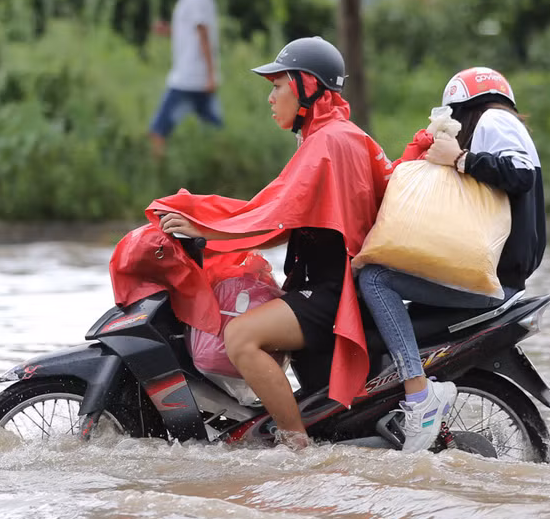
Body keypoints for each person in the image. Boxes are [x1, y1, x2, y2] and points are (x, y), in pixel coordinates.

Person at [147, 37, 431, 449]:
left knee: (241, 337)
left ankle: (297, 449)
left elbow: (275, 212)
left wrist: (206, 229)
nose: (270, 97)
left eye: (277, 85)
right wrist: (203, 221)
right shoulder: (328, 136)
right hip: (316, 287)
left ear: (306, 86)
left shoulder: (331, 141)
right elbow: (283, 213)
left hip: (330, 294)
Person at [357, 66, 546, 453]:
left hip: (493, 282)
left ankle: (418, 394)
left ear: (463, 108)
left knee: (375, 278)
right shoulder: (501, 124)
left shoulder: (494, 120)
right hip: (499, 279)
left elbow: (520, 175)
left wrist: (460, 158)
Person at [149, 0, 222, 156]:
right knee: (214, 128)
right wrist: (169, 31)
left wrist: (210, 75)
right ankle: (223, 166)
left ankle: (157, 177)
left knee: (158, 130)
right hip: (197, 77)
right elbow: (192, 33)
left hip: (188, 77)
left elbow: (203, 34)